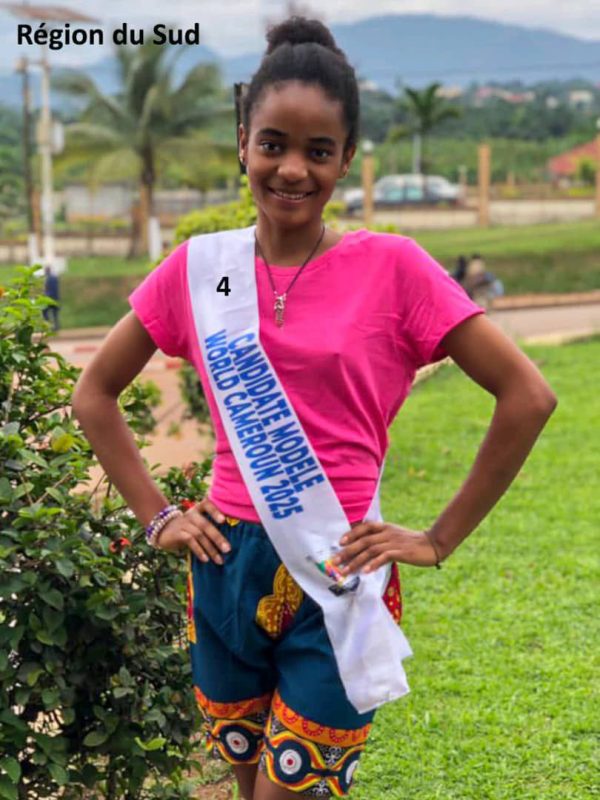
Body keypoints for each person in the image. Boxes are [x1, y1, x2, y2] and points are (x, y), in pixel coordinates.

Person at [72, 17, 557, 800]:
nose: (292, 169)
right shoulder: (198, 269)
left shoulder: (394, 268)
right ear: (243, 143)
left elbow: (528, 395)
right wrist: (158, 517)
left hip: (338, 570)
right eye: (273, 144)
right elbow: (93, 393)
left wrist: (438, 539)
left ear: (347, 159)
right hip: (223, 568)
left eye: (318, 151)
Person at [42, 265, 60, 332]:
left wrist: (45, 295)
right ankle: (55, 326)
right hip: (55, 298)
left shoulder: (49, 279)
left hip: (50, 299)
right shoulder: (54, 278)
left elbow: (51, 290)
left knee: (45, 312)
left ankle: (50, 326)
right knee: (55, 314)